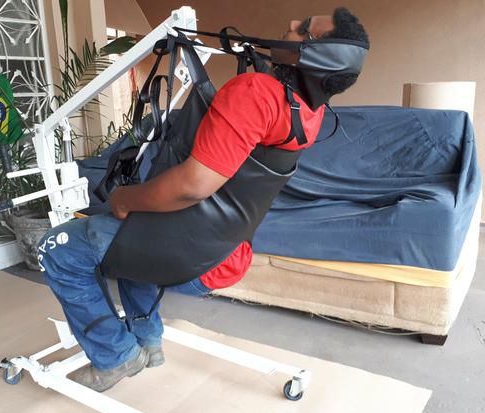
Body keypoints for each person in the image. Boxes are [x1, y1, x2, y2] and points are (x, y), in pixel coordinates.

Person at [37, 7, 369, 392]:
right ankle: (147, 340)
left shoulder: (256, 93)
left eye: (305, 30)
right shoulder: (308, 113)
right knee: (129, 249)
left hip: (187, 251)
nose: (292, 25)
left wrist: (124, 199)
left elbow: (192, 186)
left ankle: (115, 356)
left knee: (55, 249)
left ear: (316, 57)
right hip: (225, 252)